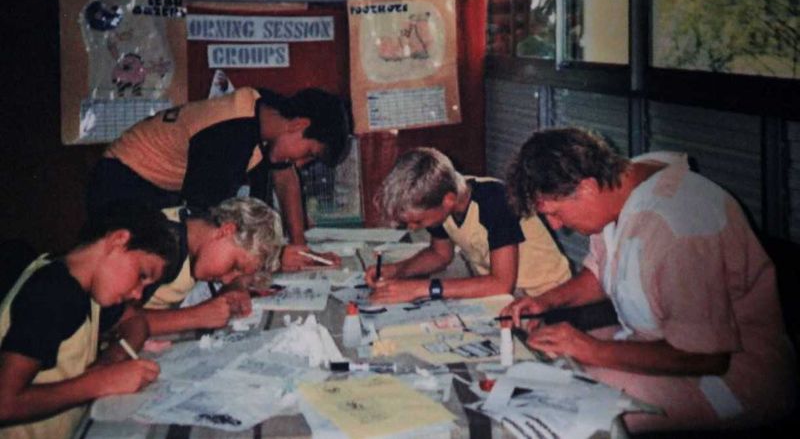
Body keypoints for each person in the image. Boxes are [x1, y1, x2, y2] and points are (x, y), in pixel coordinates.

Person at [501, 127, 796, 432]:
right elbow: (600, 272)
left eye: (555, 213)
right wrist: (544, 301)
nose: (556, 226)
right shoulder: (619, 186)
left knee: (571, 408)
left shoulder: (679, 222)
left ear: (586, 189)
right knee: (546, 365)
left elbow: (708, 357)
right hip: (659, 342)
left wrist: (590, 349)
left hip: (734, 377)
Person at [86, 86, 351, 269]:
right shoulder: (229, 138)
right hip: (124, 184)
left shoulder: (269, 113)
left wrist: (300, 247)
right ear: (299, 125)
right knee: (144, 262)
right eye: (309, 154)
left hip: (154, 183)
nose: (303, 164)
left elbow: (285, 178)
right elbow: (204, 226)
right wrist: (274, 256)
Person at [0, 205, 179, 439]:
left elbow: (137, 322)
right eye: (142, 275)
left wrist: (111, 359)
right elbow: (4, 404)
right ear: (118, 240)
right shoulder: (52, 292)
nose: (138, 294)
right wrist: (99, 382)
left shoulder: (87, 286)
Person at [366, 147, 570, 304]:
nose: (412, 228)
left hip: (547, 296)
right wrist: (397, 270)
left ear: (448, 200)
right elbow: (439, 255)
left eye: (418, 221)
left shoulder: (496, 200)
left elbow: (501, 284)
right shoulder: (442, 206)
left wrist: (419, 288)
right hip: (505, 295)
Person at [117, 197, 283, 336]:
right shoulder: (164, 246)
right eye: (234, 266)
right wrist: (196, 317)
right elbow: (115, 320)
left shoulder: (196, 225)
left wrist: (236, 285)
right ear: (226, 230)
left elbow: (243, 266)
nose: (226, 280)